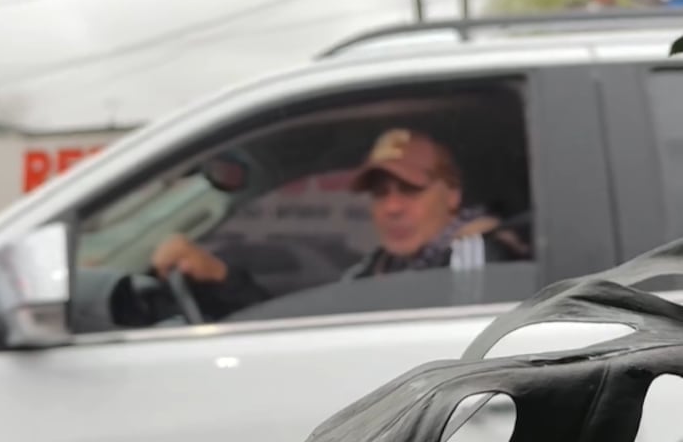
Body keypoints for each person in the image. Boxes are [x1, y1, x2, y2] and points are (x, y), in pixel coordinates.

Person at [136, 128, 525, 323]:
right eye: (379, 193)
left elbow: (470, 361)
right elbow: (309, 323)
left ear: (452, 194)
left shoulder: (476, 257)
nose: (391, 207)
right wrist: (219, 277)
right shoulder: (379, 266)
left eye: (409, 190)